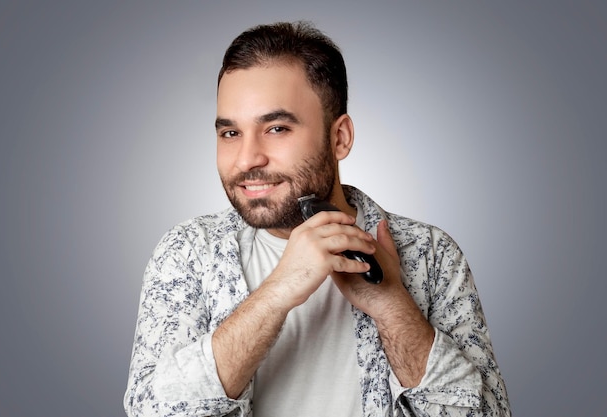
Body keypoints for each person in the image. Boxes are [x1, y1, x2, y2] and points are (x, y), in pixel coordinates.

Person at [124, 21, 510, 417]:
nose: (246, 159)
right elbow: (152, 411)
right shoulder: (188, 252)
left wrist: (393, 306)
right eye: (230, 133)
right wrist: (278, 291)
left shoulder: (430, 254)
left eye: (276, 128)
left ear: (339, 137)